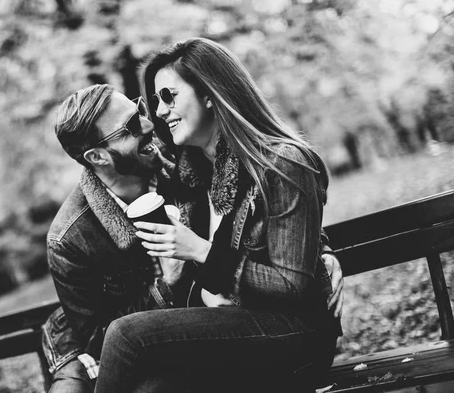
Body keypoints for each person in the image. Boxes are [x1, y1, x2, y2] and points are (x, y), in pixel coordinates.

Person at [43, 83, 344, 393]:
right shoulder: (69, 239)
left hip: (232, 335)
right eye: (130, 127)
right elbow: (97, 342)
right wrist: (166, 286)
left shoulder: (185, 160)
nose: (149, 125)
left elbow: (270, 199)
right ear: (97, 156)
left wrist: (321, 250)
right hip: (163, 354)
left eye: (140, 111)